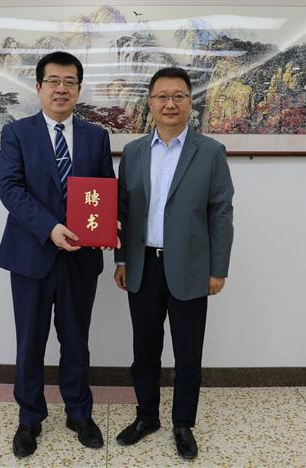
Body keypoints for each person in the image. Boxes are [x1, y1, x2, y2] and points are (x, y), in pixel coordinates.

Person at [0, 51, 115, 458]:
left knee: (76, 340)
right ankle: (29, 418)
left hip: (81, 258)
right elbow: (10, 189)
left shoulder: (97, 137)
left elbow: (105, 188)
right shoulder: (16, 133)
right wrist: (50, 228)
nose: (61, 88)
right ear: (39, 86)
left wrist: (108, 223)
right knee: (30, 341)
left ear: (78, 89)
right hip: (31, 254)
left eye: (69, 81)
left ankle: (79, 413)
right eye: (53, 81)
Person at [113, 67, 234, 460]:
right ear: (150, 103)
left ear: (189, 102)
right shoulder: (133, 153)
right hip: (142, 266)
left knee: (188, 354)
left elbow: (220, 213)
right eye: (161, 96)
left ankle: (183, 423)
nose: (170, 104)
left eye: (178, 96)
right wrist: (120, 259)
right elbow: (122, 211)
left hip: (191, 268)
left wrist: (218, 269)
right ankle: (146, 416)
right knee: (144, 351)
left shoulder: (210, 152)